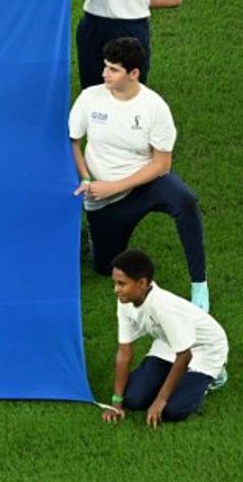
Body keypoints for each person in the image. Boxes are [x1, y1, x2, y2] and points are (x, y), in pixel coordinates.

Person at [69, 37, 209, 310]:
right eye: (105, 66)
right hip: (104, 198)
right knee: (103, 266)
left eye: (113, 69)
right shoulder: (90, 98)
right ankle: (96, 240)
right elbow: (73, 141)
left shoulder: (154, 108)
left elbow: (162, 164)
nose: (104, 74)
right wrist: (86, 178)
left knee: (185, 200)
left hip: (144, 186)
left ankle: (200, 284)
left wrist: (116, 185)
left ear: (133, 73)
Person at [101, 249, 227, 427]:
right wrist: (116, 402)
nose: (116, 290)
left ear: (142, 283)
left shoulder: (163, 308)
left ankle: (215, 375)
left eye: (121, 284)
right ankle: (171, 378)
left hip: (205, 349)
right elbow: (124, 351)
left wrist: (160, 399)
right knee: (133, 399)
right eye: (115, 283)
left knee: (172, 410)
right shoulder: (125, 301)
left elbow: (185, 355)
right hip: (169, 343)